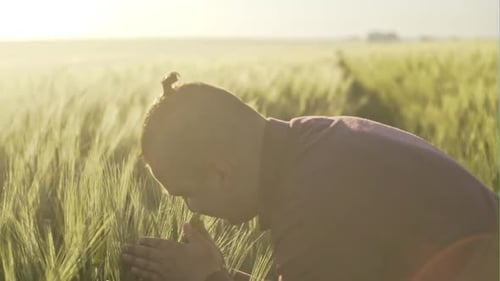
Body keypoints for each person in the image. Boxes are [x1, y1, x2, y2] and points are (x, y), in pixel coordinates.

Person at [121, 72, 499, 281]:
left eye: (186, 194)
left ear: (220, 172)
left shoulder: (314, 201)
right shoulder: (310, 145)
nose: (193, 211)